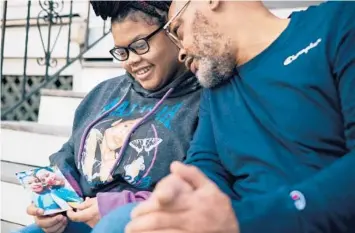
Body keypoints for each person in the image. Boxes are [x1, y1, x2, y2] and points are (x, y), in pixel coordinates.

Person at [119, 1, 354, 233]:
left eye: (178, 29)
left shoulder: (337, 24)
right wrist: (183, 196)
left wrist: (243, 220)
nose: (181, 52)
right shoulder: (216, 89)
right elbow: (205, 165)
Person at [19, 1, 201, 232]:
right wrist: (53, 199)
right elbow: (70, 154)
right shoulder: (103, 94)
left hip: (148, 219)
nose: (131, 60)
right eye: (122, 51)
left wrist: (114, 207)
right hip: (83, 215)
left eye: (140, 45)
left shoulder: (204, 101)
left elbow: (197, 188)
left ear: (174, 32)